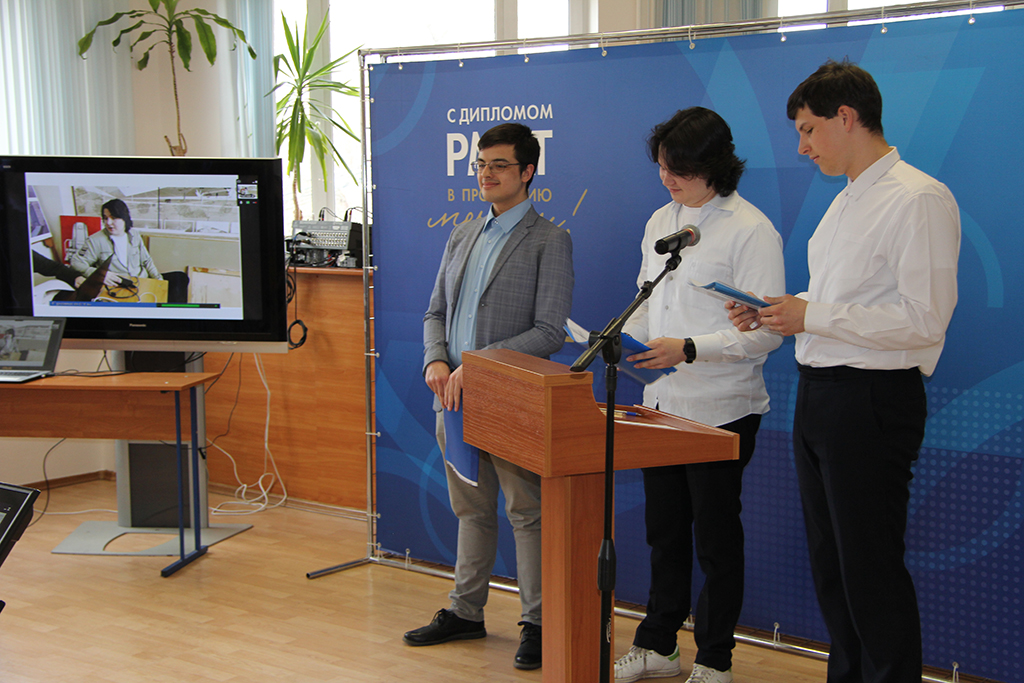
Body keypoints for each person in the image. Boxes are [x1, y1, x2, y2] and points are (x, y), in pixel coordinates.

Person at [730, 60, 960, 683]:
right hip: (821, 396)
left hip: (871, 399)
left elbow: (924, 320)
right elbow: (839, 303)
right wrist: (780, 312)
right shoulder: (843, 202)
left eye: (808, 130)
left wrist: (813, 314)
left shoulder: (918, 198)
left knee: (869, 566)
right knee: (832, 566)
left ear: (846, 117)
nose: (802, 148)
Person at [612, 108, 785, 683]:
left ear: (714, 165)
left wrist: (689, 348)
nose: (668, 179)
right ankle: (658, 645)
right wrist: (629, 340)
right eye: (662, 167)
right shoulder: (662, 220)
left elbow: (766, 332)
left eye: (680, 169)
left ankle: (714, 659)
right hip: (659, 404)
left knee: (715, 539)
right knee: (663, 534)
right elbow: (651, 299)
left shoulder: (751, 229)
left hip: (721, 408)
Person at [403, 122, 574, 671]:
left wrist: (477, 368)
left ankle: (538, 624)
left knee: (526, 512)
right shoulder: (463, 234)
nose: (486, 174)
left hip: (510, 398)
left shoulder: (550, 239)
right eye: (481, 164)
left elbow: (549, 331)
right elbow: (434, 311)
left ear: (528, 172)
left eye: (499, 165)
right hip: (452, 398)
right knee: (471, 510)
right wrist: (435, 359)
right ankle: (465, 611)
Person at [71, 198, 162, 287]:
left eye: (113, 218)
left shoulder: (135, 234)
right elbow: (76, 263)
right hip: (117, 286)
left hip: (142, 282)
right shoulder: (95, 240)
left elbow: (147, 261)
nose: (108, 222)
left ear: (124, 218)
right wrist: (100, 274)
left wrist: (159, 280)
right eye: (105, 218)